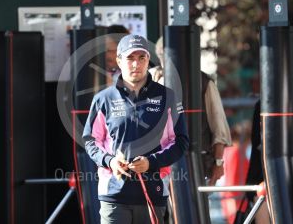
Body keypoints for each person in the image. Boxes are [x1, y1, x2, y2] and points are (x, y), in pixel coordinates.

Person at [82, 34, 189, 224]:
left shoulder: (168, 97)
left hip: (154, 193)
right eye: (130, 58)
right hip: (113, 195)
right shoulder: (103, 99)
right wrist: (110, 161)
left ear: (148, 60)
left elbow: (181, 142)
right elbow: (91, 141)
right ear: (119, 61)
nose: (135, 64)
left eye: (142, 58)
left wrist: (151, 162)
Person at [149, 36, 232, 186]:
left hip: (195, 163)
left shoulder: (203, 82)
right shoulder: (152, 80)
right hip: (157, 165)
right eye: (163, 55)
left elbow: (219, 129)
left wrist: (218, 163)